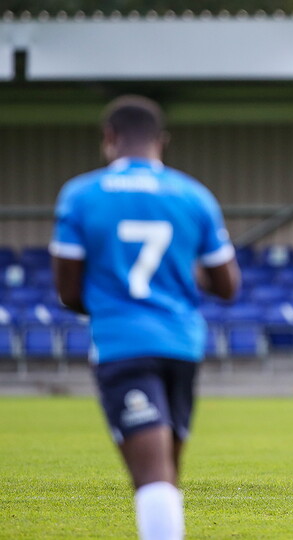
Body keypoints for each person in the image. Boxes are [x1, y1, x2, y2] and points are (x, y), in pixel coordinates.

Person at [50, 95, 240, 539]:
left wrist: (107, 300)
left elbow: (68, 291)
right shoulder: (194, 195)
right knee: (166, 472)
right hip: (182, 345)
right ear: (162, 142)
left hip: (123, 344)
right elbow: (228, 286)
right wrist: (180, 273)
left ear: (109, 139)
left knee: (152, 476)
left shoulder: (81, 195)